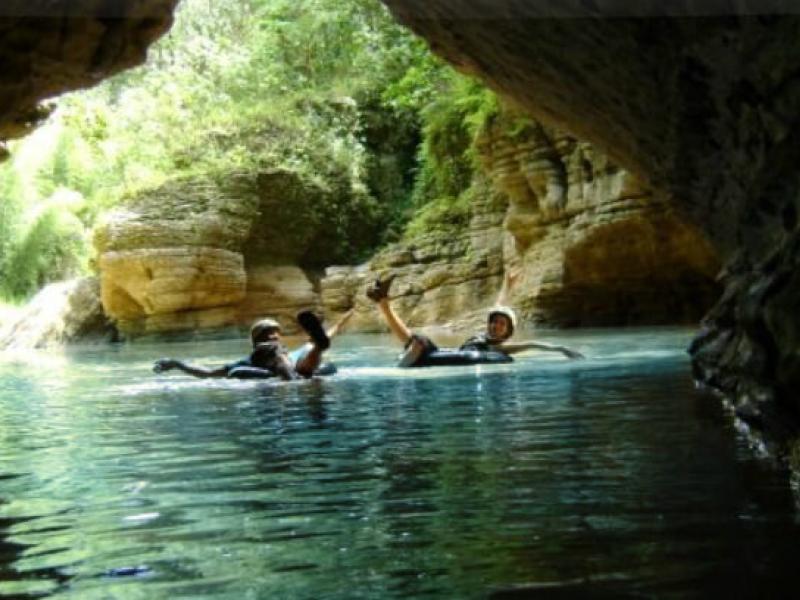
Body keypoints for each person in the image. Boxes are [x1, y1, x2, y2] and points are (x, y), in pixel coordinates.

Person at [366, 272, 584, 367]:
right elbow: (498, 306)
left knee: (418, 343)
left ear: (507, 332)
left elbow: (533, 344)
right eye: (494, 322)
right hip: (440, 354)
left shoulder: (502, 349)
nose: (496, 325)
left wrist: (562, 349)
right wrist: (507, 286)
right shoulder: (483, 336)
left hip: (439, 357)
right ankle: (383, 301)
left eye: (501, 325)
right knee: (419, 339)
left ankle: (401, 369)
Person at [152, 309, 353, 380]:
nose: (274, 336)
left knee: (311, 349)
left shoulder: (289, 352)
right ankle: (318, 347)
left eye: (275, 333)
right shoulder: (256, 356)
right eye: (268, 334)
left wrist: (343, 321)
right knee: (306, 352)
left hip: (298, 368)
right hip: (286, 371)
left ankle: (319, 347)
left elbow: (328, 334)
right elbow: (208, 372)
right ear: (258, 339)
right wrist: (176, 363)